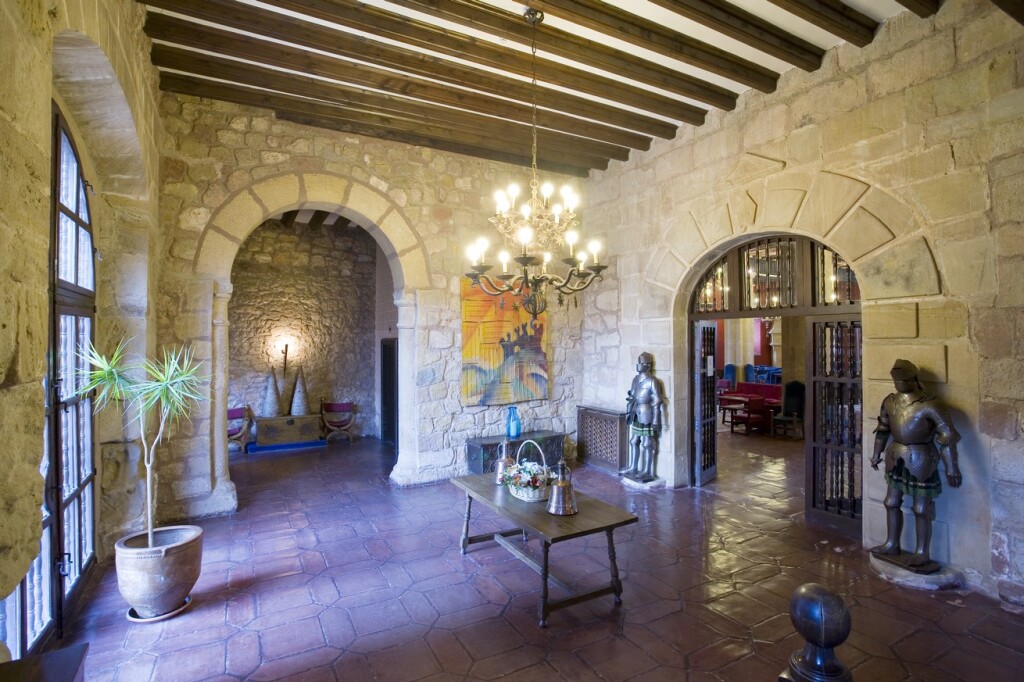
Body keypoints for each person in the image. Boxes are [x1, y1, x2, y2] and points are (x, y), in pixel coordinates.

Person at [869, 359, 962, 569]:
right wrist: (876, 454)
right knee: (891, 502)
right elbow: (883, 429)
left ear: (913, 379)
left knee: (921, 508)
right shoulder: (890, 401)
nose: (899, 383)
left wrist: (952, 468)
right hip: (895, 455)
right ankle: (892, 543)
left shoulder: (931, 404)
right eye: (896, 379)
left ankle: (922, 553)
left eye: (903, 379)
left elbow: (946, 437)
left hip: (922, 457)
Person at [622, 352, 664, 482]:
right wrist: (629, 412)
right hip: (636, 411)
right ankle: (633, 467)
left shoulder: (653, 381)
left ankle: (647, 471)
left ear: (648, 366)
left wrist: (656, 420)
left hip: (647, 413)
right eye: (638, 363)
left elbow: (657, 401)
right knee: (633, 441)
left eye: (641, 363)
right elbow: (632, 397)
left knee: (647, 443)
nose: (639, 365)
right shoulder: (635, 379)